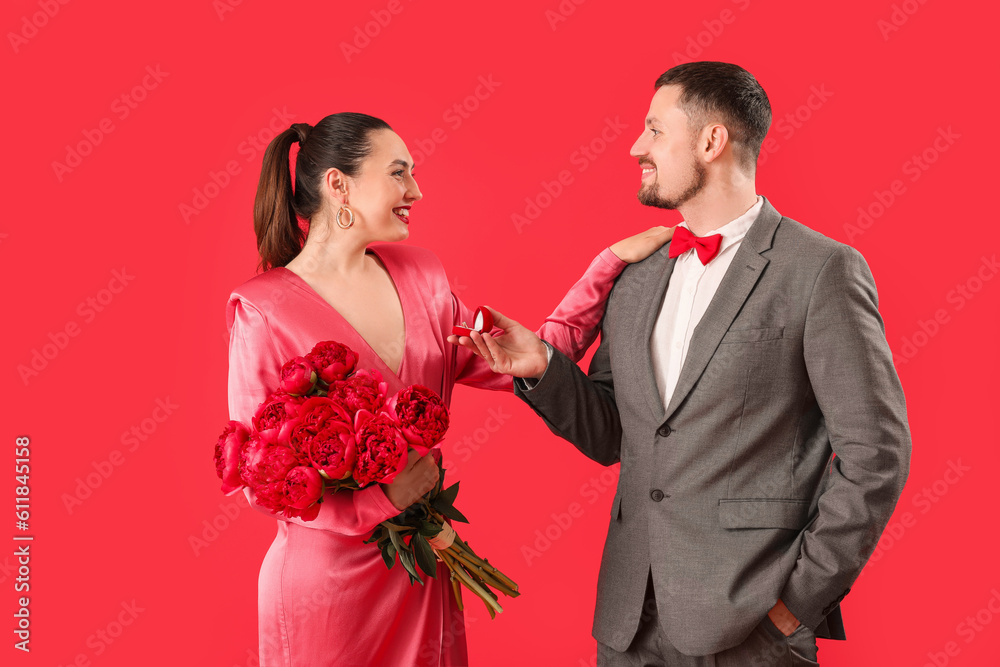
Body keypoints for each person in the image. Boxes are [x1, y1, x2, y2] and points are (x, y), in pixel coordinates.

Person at [448, 62, 912, 666]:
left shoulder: (821, 270)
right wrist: (541, 366)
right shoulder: (638, 276)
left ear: (711, 141)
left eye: (654, 130)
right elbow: (619, 435)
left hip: (752, 626)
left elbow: (876, 454)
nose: (636, 147)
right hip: (627, 622)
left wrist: (797, 601)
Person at [225, 111, 673, 667]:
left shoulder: (423, 278)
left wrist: (604, 269)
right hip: (327, 593)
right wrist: (382, 500)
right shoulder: (264, 311)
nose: (415, 189)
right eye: (398, 173)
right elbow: (260, 479)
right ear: (337, 183)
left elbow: (522, 358)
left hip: (420, 571)